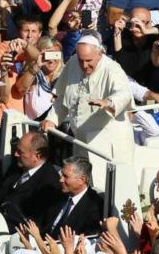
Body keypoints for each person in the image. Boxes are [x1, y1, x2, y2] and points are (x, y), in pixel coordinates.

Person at [41, 32, 134, 165]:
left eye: (89, 61)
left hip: (108, 142)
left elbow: (124, 93)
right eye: (81, 60)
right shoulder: (73, 62)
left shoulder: (112, 68)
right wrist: (52, 119)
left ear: (100, 54)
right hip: (81, 140)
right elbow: (62, 96)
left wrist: (108, 102)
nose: (84, 65)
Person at [0, 132, 61, 230]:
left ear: (37, 156)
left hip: (5, 231)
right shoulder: (17, 165)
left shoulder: (49, 184)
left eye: (20, 152)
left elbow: (34, 223)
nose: (15, 154)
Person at [42, 156, 103, 236]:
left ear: (82, 180)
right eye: (61, 174)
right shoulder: (58, 194)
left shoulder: (94, 207)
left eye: (65, 176)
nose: (61, 180)